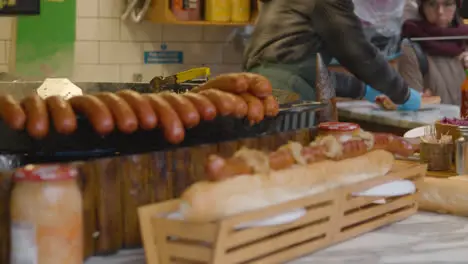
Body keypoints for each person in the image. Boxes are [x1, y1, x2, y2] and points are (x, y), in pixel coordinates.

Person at [243, 0, 421, 111]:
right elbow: (356, 52)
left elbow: (302, 68)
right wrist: (402, 92)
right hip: (286, 95)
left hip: (261, 86)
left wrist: (362, 89)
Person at [398, 0, 468, 105]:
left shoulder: (464, 39)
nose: (439, 11)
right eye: (431, 4)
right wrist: (421, 100)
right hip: (432, 121)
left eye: (447, 4)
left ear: (456, 7)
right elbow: (411, 109)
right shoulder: (411, 46)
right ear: (423, 8)